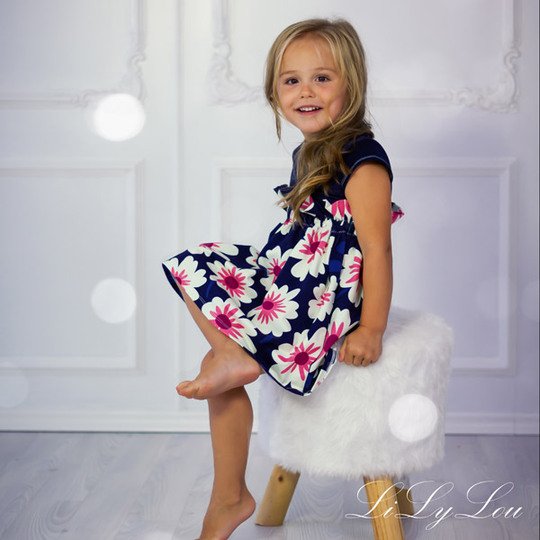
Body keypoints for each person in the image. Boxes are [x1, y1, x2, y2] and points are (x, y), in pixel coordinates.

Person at [161, 17, 404, 539]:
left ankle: (228, 495)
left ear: (351, 84)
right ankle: (230, 492)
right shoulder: (309, 151)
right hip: (288, 280)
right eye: (291, 80)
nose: (305, 92)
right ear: (275, 92)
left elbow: (378, 250)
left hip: (320, 301)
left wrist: (372, 328)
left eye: (322, 78)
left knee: (220, 364)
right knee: (196, 263)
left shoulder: (363, 161)